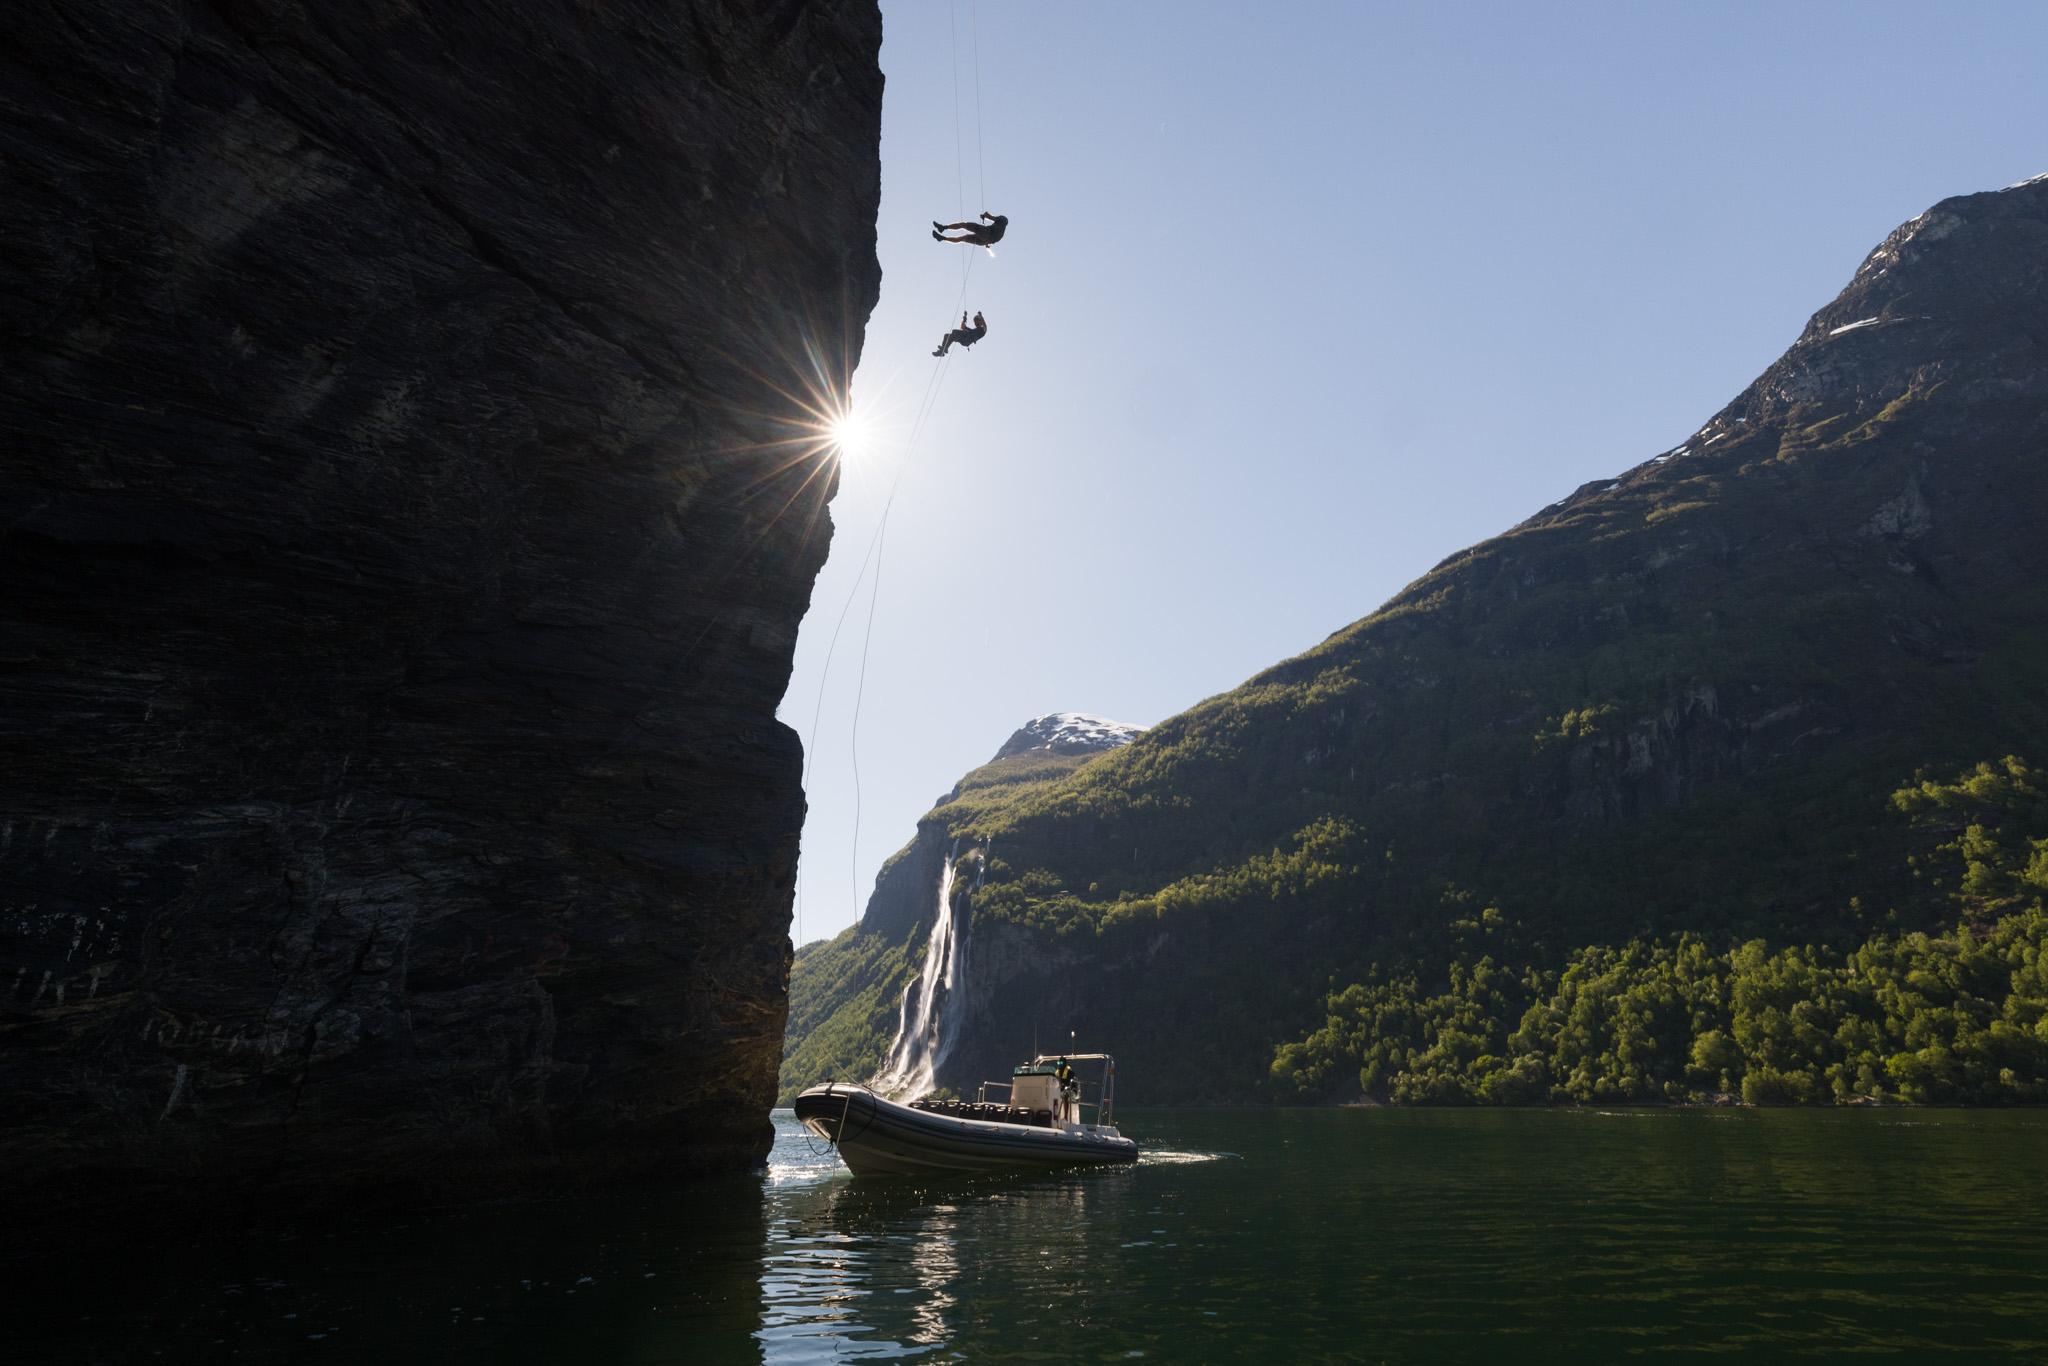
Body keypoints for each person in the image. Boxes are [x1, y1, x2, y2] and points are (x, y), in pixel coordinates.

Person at [933, 211, 1008, 246]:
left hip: (986, 232)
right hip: (984, 242)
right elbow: (993, 240)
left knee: (964, 225)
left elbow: (989, 216)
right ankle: (942, 238)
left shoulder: (1000, 221)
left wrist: (984, 215)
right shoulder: (1001, 233)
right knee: (963, 238)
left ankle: (943, 228)